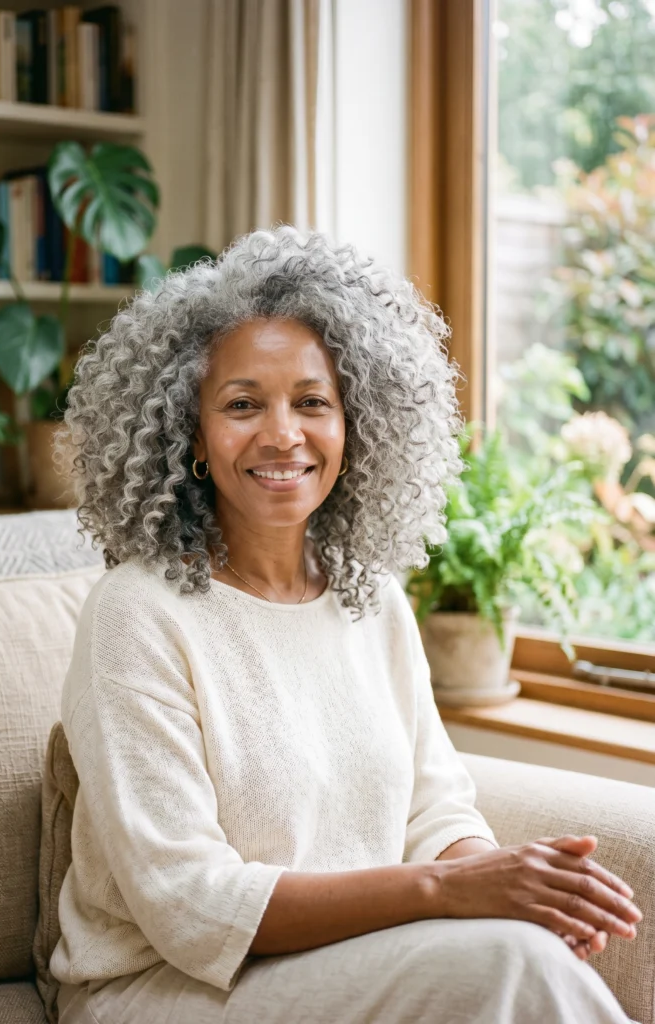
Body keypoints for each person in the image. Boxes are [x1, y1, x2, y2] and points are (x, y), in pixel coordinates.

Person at [51, 225, 641, 1024]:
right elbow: (187, 903)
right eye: (241, 405)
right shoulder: (137, 614)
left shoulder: (373, 600)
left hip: (348, 960)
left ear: (354, 426)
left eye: (312, 402)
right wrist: (446, 890)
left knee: (518, 951)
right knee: (507, 966)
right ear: (188, 433)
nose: (282, 434)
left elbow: (435, 813)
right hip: (164, 989)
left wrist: (501, 878)